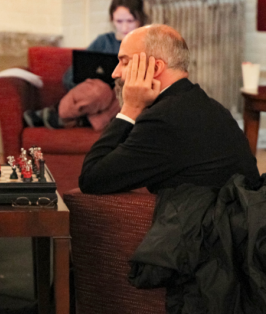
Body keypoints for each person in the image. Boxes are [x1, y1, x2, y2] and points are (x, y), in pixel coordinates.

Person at [79, 24, 260, 194]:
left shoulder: (164, 119)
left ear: (155, 67)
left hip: (213, 223)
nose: (115, 73)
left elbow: (91, 179)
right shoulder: (202, 103)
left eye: (124, 62)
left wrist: (130, 108)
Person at [24, 0, 147, 129]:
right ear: (112, 18)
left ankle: (61, 117)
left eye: (130, 21)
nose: (125, 27)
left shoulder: (147, 44)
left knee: (128, 95)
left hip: (121, 100)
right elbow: (69, 77)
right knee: (100, 91)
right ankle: (67, 113)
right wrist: (90, 83)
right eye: (119, 21)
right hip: (96, 96)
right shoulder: (103, 42)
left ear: (140, 19)